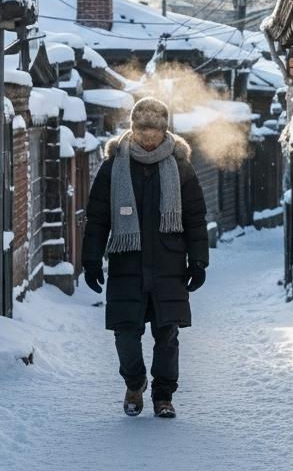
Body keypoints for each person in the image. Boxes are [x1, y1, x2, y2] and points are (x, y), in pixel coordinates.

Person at [81, 97, 208, 418]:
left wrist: (198, 262)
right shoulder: (114, 166)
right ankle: (134, 383)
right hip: (127, 264)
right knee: (125, 333)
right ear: (133, 129)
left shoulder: (180, 166)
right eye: (143, 131)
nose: (148, 138)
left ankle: (163, 396)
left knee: (167, 335)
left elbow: (195, 217)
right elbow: (97, 218)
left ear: (165, 131)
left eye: (154, 132)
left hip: (169, 265)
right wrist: (91, 260)